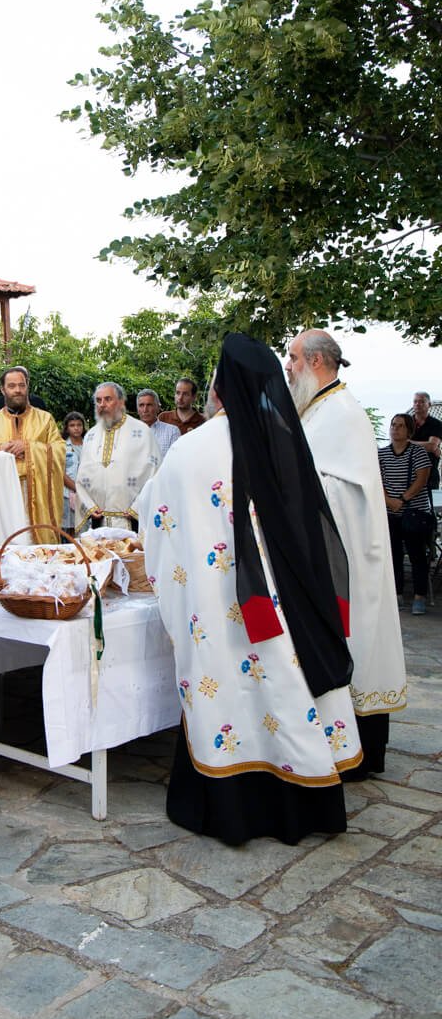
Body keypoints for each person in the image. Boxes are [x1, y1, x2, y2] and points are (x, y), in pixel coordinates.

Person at [138, 334, 362, 846]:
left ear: (220, 386)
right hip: (285, 611)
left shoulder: (190, 451)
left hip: (217, 608)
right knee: (286, 691)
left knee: (227, 698)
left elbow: (155, 523)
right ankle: (305, 801)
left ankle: (234, 809)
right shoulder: (285, 437)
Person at [286, 327, 407, 778]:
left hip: (350, 557)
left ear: (316, 361)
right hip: (331, 553)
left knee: (355, 641)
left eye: (294, 358)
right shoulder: (319, 408)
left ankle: (356, 750)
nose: (289, 366)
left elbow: (336, 487)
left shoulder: (341, 412)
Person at [0, 366, 65, 543]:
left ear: (27, 386)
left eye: (21, 385)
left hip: (37, 491)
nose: (17, 390)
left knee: (35, 543)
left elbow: (60, 449)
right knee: (8, 541)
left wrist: (30, 448)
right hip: (3, 492)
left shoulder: (45, 419)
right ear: (3, 389)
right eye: (11, 386)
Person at [76, 382, 160, 530]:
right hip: (99, 521)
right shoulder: (90, 435)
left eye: (108, 399)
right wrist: (90, 506)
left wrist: (136, 508)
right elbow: (82, 477)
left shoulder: (141, 431)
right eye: (98, 400)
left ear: (121, 402)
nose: (102, 404)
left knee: (131, 554)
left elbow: (155, 473)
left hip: (133, 520)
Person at [379, 413, 433, 615]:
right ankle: (397, 593)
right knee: (393, 554)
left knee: (417, 554)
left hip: (413, 512)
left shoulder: (418, 453)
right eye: (393, 425)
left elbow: (421, 480)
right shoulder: (382, 454)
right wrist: (388, 500)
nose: (395, 429)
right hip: (389, 512)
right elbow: (378, 480)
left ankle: (419, 596)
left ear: (409, 430)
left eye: (400, 426)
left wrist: (401, 500)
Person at [410, 391, 442, 490]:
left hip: (429, 475)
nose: (417, 404)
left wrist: (408, 442)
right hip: (408, 475)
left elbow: (431, 446)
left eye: (421, 402)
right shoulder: (406, 423)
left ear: (429, 405)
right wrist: (427, 446)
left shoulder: (436, 424)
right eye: (415, 401)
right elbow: (397, 444)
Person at [61, 411, 87, 532]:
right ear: (67, 428)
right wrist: (77, 488)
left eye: (79, 425)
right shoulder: (62, 446)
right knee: (69, 530)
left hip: (88, 495)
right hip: (67, 494)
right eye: (72, 425)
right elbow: (60, 473)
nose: (76, 428)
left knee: (85, 530)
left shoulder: (90, 444)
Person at [136, 389, 180, 459]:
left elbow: (175, 461)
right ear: (137, 409)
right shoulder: (128, 432)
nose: (145, 410)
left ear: (158, 408)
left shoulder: (172, 431)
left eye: (149, 405)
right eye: (141, 405)